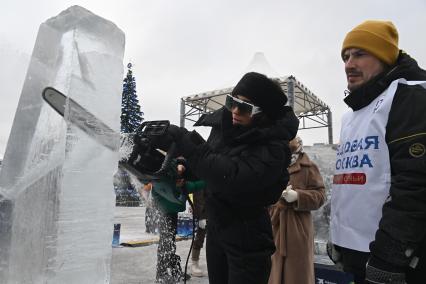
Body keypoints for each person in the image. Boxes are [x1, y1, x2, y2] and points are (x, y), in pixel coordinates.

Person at [161, 72, 299, 284]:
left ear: (263, 113)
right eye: (232, 101)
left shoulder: (274, 147)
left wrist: (188, 144)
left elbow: (234, 175)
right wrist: (185, 168)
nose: (235, 110)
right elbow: (212, 164)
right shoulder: (226, 129)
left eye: (245, 107)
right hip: (218, 228)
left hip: (248, 239)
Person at [329, 20, 426, 284]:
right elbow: (351, 181)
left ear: (384, 57)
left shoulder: (410, 96)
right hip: (361, 253)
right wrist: (338, 238)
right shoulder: (353, 114)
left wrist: (391, 256)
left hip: (397, 263)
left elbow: (416, 183)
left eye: (360, 54)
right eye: (346, 56)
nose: (349, 64)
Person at [268, 136, 326, 284]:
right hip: (275, 226)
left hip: (297, 230)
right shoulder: (274, 165)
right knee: (273, 273)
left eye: (291, 138)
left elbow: (320, 196)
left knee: (297, 274)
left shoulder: (308, 166)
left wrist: (298, 196)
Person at [190, 189, 207, 277]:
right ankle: (194, 262)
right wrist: (201, 216)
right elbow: (198, 197)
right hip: (205, 212)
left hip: (217, 209)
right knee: (200, 236)